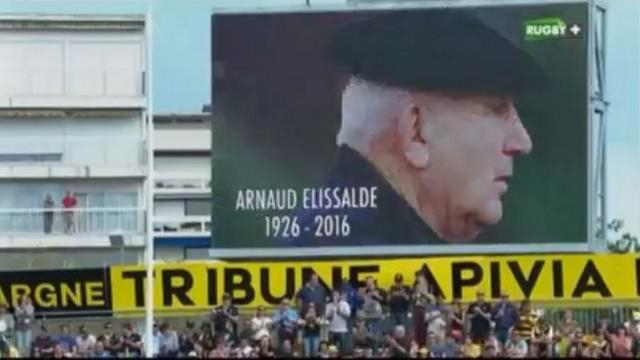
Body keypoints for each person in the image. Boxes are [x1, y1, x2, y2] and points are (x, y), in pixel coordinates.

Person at [289, 9, 542, 247]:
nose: (523, 142)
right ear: (416, 132)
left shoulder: (336, 238)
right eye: (496, 109)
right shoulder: (348, 252)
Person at [325, 289, 351, 354]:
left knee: (343, 351)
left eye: (336, 295)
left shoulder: (344, 304)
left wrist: (340, 312)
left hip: (342, 330)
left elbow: (348, 315)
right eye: (333, 295)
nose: (335, 296)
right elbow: (327, 317)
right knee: (332, 350)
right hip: (332, 330)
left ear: (339, 295)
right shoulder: (329, 305)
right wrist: (331, 313)